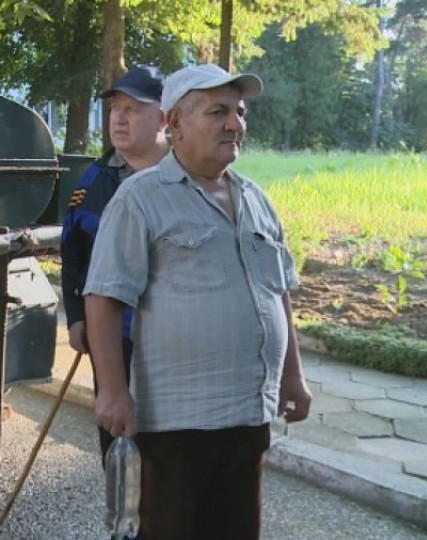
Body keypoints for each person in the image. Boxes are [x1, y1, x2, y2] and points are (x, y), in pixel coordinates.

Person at [83, 64, 313, 539]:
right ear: (176, 123)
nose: (234, 123)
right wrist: (111, 389)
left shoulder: (255, 198)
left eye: (239, 112)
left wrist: (293, 374)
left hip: (248, 417)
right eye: (218, 112)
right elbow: (102, 298)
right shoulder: (141, 198)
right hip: (174, 425)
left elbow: (277, 292)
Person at [60, 64, 169, 466]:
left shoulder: (186, 178)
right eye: (115, 109)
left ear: (164, 117)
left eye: (134, 109)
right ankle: (124, 523)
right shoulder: (94, 178)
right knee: (119, 450)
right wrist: (75, 315)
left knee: (168, 454)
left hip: (172, 343)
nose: (119, 118)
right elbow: (72, 252)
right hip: (114, 341)